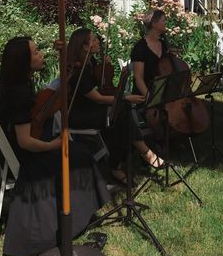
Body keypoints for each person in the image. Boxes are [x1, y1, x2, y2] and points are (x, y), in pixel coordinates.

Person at [0, 36, 110, 256]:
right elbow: (26, 142)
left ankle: (81, 212)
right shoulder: (20, 94)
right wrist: (54, 144)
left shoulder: (14, 81)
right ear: (24, 61)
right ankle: (76, 220)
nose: (40, 54)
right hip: (29, 156)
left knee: (79, 153)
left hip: (24, 147)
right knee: (79, 157)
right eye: (35, 53)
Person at [67, 28, 164, 184]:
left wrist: (105, 69)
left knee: (122, 116)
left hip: (93, 109)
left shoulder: (91, 62)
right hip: (80, 115)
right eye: (95, 39)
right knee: (122, 115)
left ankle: (124, 161)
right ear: (85, 46)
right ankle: (138, 155)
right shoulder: (78, 70)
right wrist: (126, 97)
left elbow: (101, 87)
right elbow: (98, 98)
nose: (99, 41)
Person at [131, 9, 170, 99]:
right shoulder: (140, 48)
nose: (165, 23)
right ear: (154, 24)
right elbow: (138, 78)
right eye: (163, 20)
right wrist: (150, 98)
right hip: (144, 95)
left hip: (162, 94)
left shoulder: (164, 45)